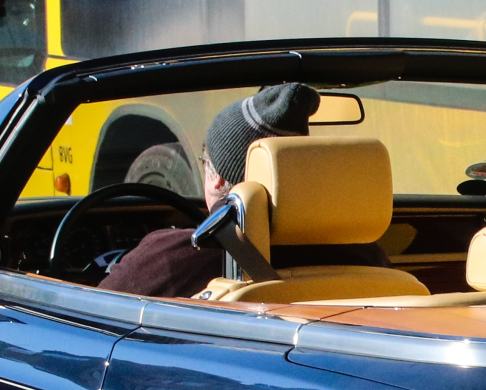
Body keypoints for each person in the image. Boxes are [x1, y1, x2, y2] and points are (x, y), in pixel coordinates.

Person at [97, 83, 388, 297]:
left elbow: (92, 321)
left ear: (218, 180)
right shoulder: (368, 260)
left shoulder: (171, 258)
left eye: (204, 161)